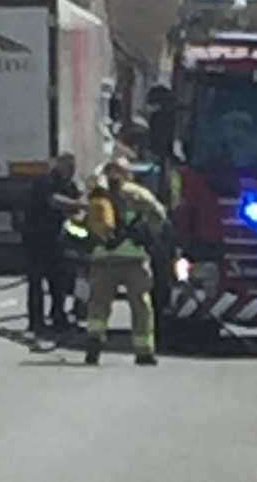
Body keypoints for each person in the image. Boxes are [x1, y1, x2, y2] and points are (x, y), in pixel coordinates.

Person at [84, 157, 168, 366]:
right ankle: (143, 351)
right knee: (141, 306)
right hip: (134, 260)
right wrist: (149, 235)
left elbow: (85, 225)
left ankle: (94, 341)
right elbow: (159, 215)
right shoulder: (138, 194)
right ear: (127, 173)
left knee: (98, 305)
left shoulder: (96, 196)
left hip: (103, 259)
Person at [23, 153, 85, 336]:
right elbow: (54, 200)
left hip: (56, 240)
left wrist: (84, 204)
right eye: (68, 168)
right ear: (59, 167)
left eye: (73, 168)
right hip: (36, 238)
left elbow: (79, 201)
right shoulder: (46, 181)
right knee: (36, 282)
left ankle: (59, 317)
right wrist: (78, 204)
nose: (71, 172)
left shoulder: (70, 184)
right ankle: (36, 321)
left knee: (58, 280)